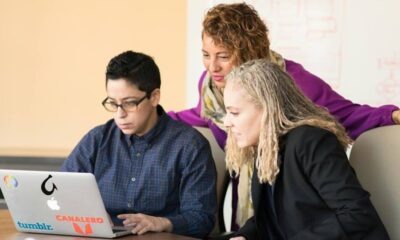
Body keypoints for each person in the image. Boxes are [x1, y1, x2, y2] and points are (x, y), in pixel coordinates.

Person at [168, 2, 400, 230]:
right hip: (260, 210)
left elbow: (349, 115)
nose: (212, 67)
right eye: (206, 55)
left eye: (223, 56)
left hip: (303, 219)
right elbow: (201, 114)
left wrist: (393, 115)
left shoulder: (295, 87)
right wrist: (154, 117)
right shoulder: (211, 86)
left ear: (248, 53)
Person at [224, 59, 389, 240]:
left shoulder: (312, 141)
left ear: (268, 109)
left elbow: (356, 216)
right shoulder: (266, 147)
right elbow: (273, 216)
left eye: (235, 113)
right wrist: (245, 236)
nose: (226, 122)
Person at [61, 51, 217, 238]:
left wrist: (162, 223)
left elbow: (202, 219)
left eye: (129, 103)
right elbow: (62, 191)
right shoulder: (98, 139)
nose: (120, 114)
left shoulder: (190, 146)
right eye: (113, 103)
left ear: (154, 97)